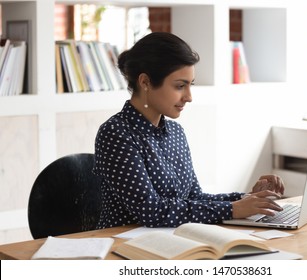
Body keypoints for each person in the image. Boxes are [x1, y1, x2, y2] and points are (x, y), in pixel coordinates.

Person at [93, 32, 285, 229]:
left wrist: (250, 199)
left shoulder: (176, 132)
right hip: (124, 246)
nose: (189, 96)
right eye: (179, 86)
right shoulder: (116, 133)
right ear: (145, 83)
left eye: (190, 85)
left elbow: (194, 197)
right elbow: (151, 211)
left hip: (174, 238)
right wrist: (233, 209)